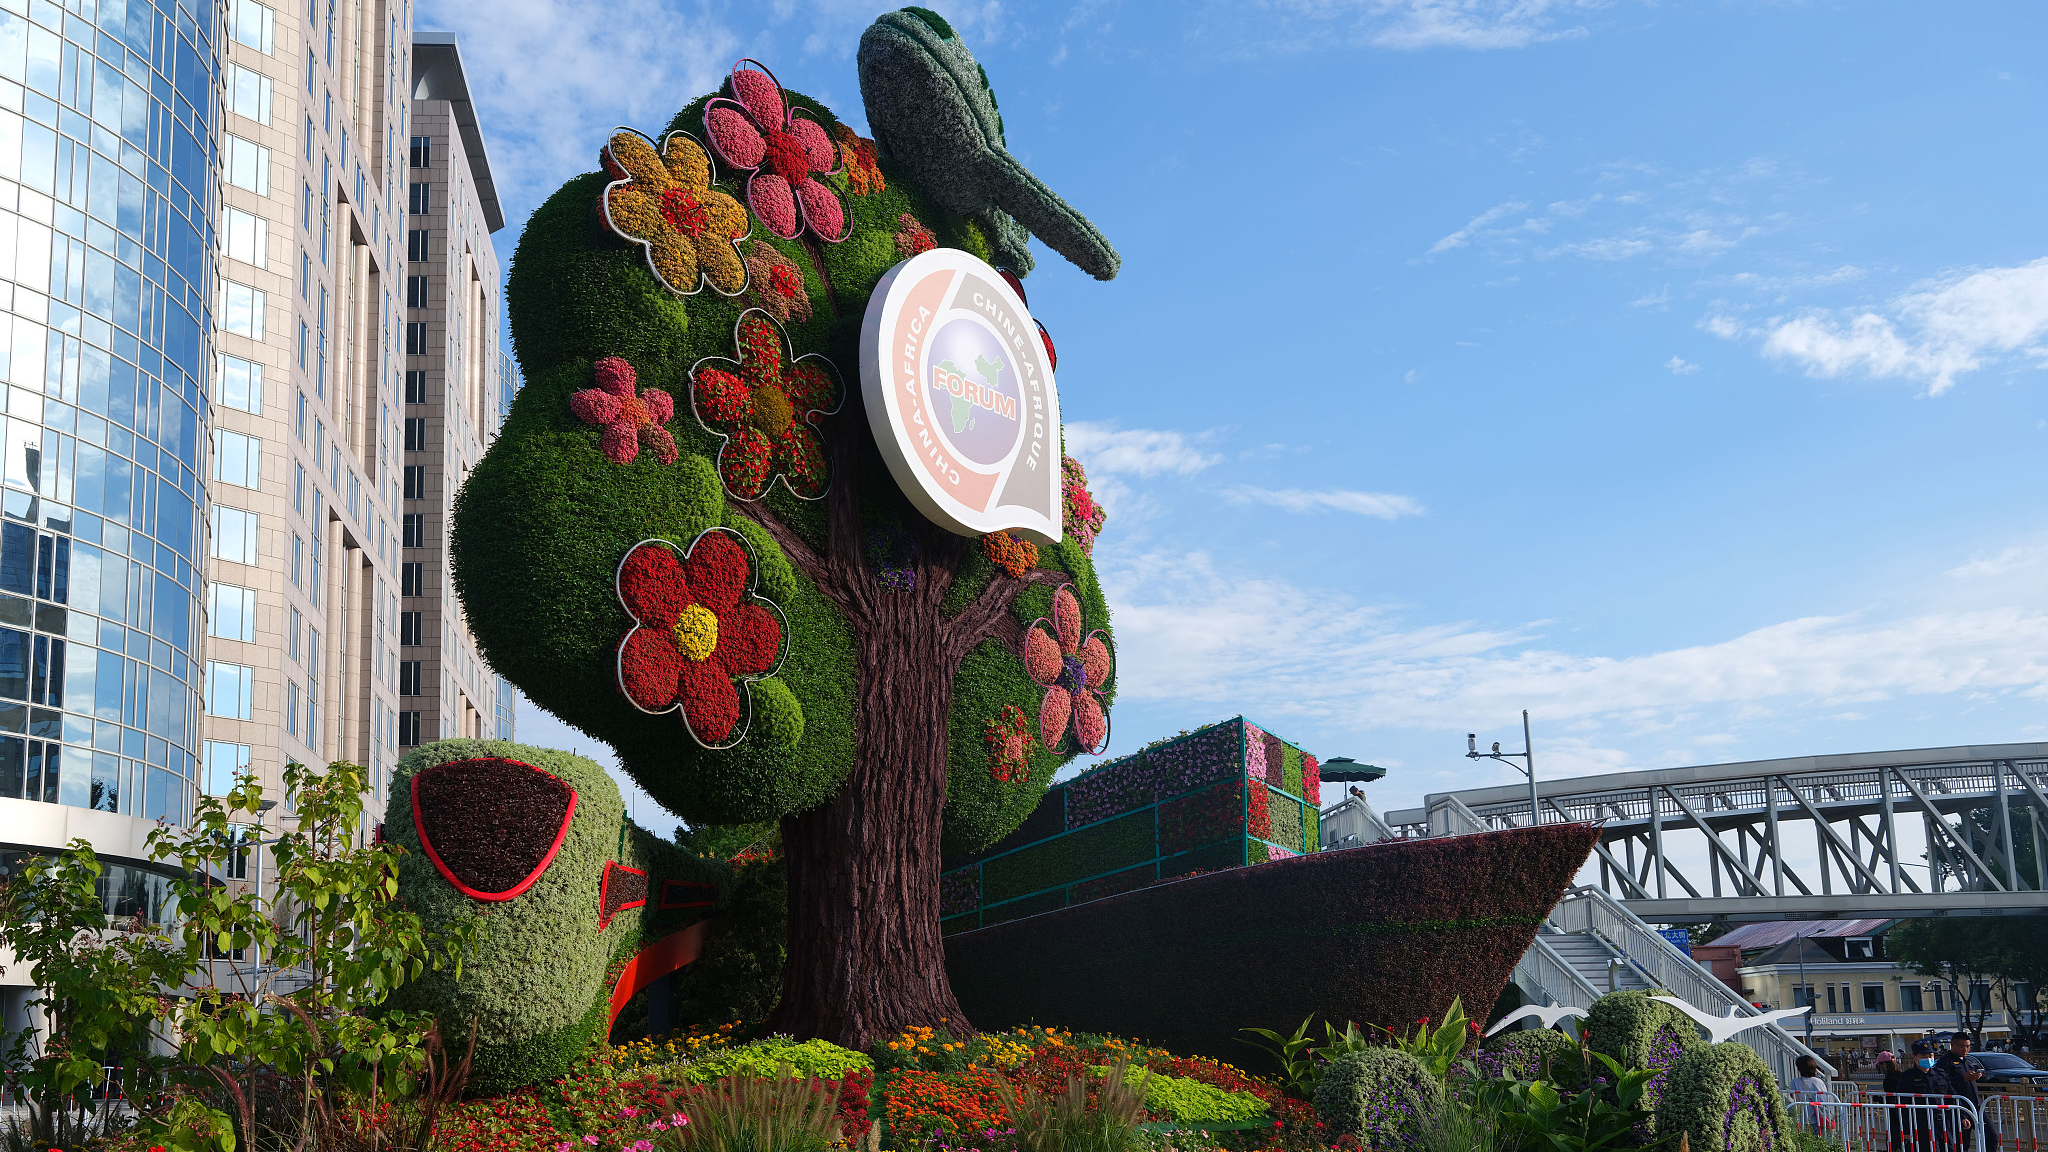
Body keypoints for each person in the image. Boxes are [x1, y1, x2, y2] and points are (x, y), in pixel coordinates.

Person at [1894, 1040, 1965, 1152]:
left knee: (1950, 1148)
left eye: (1930, 1055)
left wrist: (1962, 1116)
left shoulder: (1940, 1074)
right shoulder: (1907, 1077)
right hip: (1922, 1124)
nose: (1928, 1058)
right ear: (1915, 1057)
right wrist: (1906, 1129)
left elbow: (1952, 1096)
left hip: (1943, 1123)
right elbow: (1903, 1104)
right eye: (1923, 1056)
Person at [1936, 1032, 1999, 1151]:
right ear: (1952, 1044)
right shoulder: (1945, 1062)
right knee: (1962, 1143)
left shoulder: (1967, 1061)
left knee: (1991, 1136)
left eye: (1968, 1046)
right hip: (1959, 1107)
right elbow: (1942, 1084)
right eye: (1961, 1046)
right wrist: (1963, 1078)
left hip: (1976, 1105)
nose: (1965, 1049)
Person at [1790, 1054, 1838, 1133]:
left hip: (1804, 1118)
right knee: (1824, 1141)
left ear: (1800, 1069)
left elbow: (1796, 1101)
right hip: (1821, 1118)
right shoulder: (1819, 1082)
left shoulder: (1795, 1082)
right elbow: (1824, 1100)